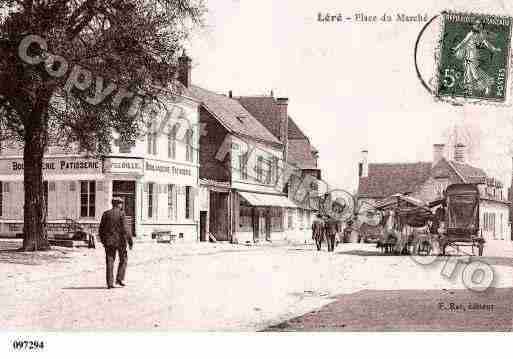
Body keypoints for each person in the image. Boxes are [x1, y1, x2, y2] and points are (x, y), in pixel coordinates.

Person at [452, 19, 501, 96]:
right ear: (474, 26)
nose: (479, 26)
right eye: (477, 24)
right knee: (468, 73)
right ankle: (469, 91)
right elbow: (463, 42)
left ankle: (487, 85)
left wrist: (494, 49)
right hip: (468, 55)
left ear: (482, 25)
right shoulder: (471, 34)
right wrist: (456, 48)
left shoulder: (482, 34)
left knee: (475, 74)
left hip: (473, 56)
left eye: (480, 24)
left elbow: (486, 42)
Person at [99, 197, 133, 289]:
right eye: (121, 203)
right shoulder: (122, 214)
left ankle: (110, 283)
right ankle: (119, 279)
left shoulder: (106, 214)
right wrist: (130, 242)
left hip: (109, 242)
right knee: (124, 259)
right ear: (119, 204)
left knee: (110, 261)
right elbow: (126, 229)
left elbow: (101, 230)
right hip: (120, 242)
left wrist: (103, 241)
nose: (121, 205)